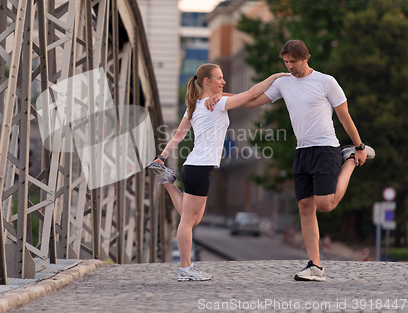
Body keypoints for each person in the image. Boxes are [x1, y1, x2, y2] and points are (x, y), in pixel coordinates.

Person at [209, 40, 374, 282]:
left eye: (293, 62)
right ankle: (315, 266)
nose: (290, 67)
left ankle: (348, 159)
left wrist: (359, 147)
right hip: (302, 151)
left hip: (326, 148)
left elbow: (344, 115)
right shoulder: (284, 83)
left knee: (325, 204)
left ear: (305, 58)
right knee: (305, 207)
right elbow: (253, 101)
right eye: (286, 62)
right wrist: (221, 96)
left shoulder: (326, 82)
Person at [147, 63, 289, 281]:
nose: (223, 81)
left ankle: (166, 180)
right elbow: (251, 94)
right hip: (199, 166)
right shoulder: (218, 103)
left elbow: (178, 135)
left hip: (196, 166)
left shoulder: (194, 105)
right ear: (207, 81)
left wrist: (163, 156)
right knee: (187, 220)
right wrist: (277, 75)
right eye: (219, 78)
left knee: (195, 217)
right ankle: (185, 268)